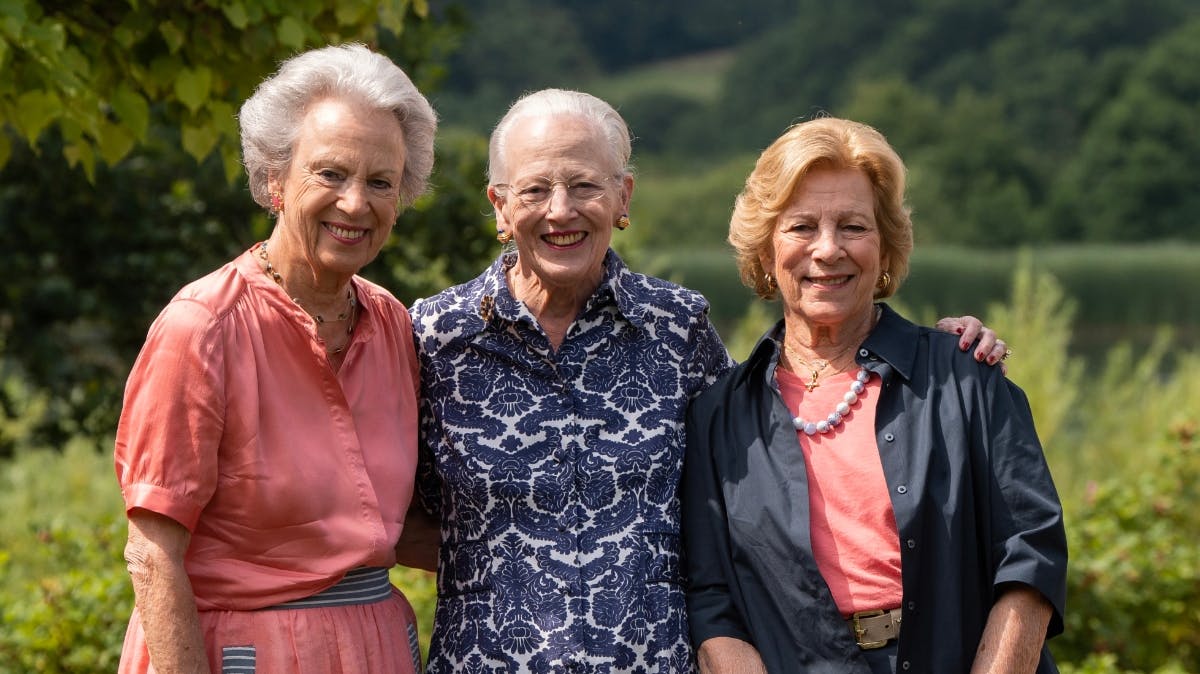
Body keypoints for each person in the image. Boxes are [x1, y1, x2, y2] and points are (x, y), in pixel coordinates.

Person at [408, 90, 1011, 672]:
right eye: (535, 188)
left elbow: (763, 468)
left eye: (585, 185)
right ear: (499, 204)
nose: (561, 209)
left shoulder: (676, 328)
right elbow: (378, 513)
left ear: (623, 197)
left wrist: (939, 356)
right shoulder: (432, 338)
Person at [681, 117, 1067, 673]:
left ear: (885, 249)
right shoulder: (718, 414)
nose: (828, 249)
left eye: (853, 227)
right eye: (801, 227)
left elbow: (1031, 556)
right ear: (766, 252)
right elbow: (712, 598)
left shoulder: (966, 377)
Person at [113, 43, 436, 673]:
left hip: (376, 650)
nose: (354, 203)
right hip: (243, 656)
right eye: (330, 174)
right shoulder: (202, 326)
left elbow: (400, 529)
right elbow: (153, 555)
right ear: (273, 180)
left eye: (380, 182)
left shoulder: (394, 324)